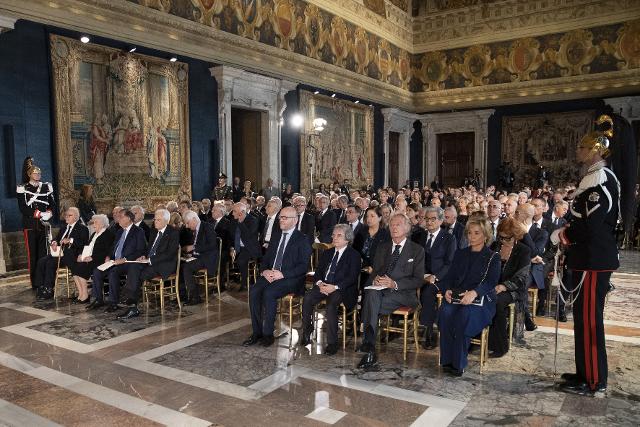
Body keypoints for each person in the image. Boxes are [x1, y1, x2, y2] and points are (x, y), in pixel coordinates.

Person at [554, 114, 637, 396]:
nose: (577, 151)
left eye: (581, 147)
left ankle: (594, 381)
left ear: (595, 151)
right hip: (585, 258)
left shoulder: (600, 179)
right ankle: (584, 372)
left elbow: (590, 224)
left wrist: (565, 235)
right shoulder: (592, 177)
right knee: (582, 319)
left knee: (590, 321)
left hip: (593, 260)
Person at [357, 213, 425, 369]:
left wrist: (394, 283)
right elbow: (375, 272)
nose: (394, 228)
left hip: (403, 294)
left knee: (370, 302)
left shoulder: (417, 250)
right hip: (380, 291)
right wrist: (375, 279)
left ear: (407, 228)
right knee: (372, 294)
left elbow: (418, 280)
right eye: (392, 225)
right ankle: (370, 351)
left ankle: (368, 344)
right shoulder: (383, 247)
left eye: (398, 224)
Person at [437, 216, 501, 376]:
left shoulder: (493, 257)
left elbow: (491, 282)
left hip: (482, 300)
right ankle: (447, 359)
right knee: (445, 312)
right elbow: (449, 277)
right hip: (458, 296)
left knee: (464, 316)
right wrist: (447, 290)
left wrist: (474, 292)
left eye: (476, 233)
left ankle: (458, 362)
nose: (471, 236)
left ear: (486, 235)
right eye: (469, 233)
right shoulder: (461, 253)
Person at [242, 207, 312, 347]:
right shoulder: (276, 235)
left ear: (295, 220)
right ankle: (257, 332)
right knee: (254, 291)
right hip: (271, 275)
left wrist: (283, 274)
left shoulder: (302, 239)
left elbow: (303, 267)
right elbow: (266, 258)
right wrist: (264, 271)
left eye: (285, 217)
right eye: (280, 217)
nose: (281, 220)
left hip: (291, 278)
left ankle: (268, 334)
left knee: (269, 293)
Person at [300, 224, 361, 354]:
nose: (334, 237)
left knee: (331, 305)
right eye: (334, 235)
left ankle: (332, 343)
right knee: (307, 298)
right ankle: (307, 330)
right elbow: (318, 272)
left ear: (347, 238)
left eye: (339, 235)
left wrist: (335, 287)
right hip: (324, 285)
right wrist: (321, 283)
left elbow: (352, 277)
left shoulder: (354, 255)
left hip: (342, 288)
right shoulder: (327, 253)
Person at [117, 208, 179, 319]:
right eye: (155, 219)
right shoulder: (154, 231)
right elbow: (149, 248)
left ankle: (130, 302)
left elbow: (169, 254)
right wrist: (144, 256)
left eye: (158, 220)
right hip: (149, 261)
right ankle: (131, 303)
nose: (155, 222)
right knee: (133, 266)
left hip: (163, 264)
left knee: (137, 275)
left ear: (166, 221)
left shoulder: (173, 232)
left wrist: (150, 260)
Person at [488, 218, 531, 356]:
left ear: (516, 235)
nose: (504, 241)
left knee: (497, 302)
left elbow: (521, 278)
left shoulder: (523, 250)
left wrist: (504, 286)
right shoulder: (495, 246)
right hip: (493, 286)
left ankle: (500, 346)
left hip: (514, 289)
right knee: (480, 298)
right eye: (501, 237)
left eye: (508, 238)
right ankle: (477, 338)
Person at [91, 210, 147, 312]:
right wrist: (108, 256)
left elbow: (141, 251)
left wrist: (124, 259)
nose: (118, 218)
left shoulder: (138, 231)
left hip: (128, 262)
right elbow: (113, 247)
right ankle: (99, 299)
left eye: (121, 216)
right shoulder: (120, 231)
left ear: (129, 218)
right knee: (97, 271)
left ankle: (113, 303)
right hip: (114, 261)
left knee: (113, 273)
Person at [419, 206, 457, 349]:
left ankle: (428, 330)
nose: (429, 222)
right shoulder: (419, 236)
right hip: (420, 275)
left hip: (441, 278)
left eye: (433, 219)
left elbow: (450, 263)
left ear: (441, 220)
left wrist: (435, 276)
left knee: (428, 291)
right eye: (426, 219)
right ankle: (396, 320)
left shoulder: (449, 238)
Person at [34, 207, 89, 300]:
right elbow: (57, 238)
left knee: (50, 263)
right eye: (66, 215)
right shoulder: (64, 228)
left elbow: (83, 242)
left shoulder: (82, 228)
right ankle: (40, 286)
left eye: (69, 215)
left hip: (71, 255)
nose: (66, 217)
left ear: (76, 217)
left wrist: (70, 240)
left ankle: (49, 289)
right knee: (41, 261)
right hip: (59, 253)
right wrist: (54, 242)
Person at [17, 162, 55, 288]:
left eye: (39, 173)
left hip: (44, 225)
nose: (38, 175)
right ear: (29, 174)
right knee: (33, 255)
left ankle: (44, 279)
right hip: (31, 225)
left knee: (44, 254)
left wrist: (49, 212)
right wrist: (38, 214)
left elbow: (52, 203)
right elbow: (23, 208)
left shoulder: (46, 187)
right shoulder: (23, 188)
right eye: (35, 173)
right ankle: (35, 283)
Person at [181, 210, 218, 304]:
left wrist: (194, 248)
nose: (187, 226)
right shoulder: (193, 230)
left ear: (194, 219)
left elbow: (212, 245)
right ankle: (184, 294)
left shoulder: (207, 227)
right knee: (180, 265)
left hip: (207, 258)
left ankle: (195, 297)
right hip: (197, 256)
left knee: (187, 267)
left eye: (188, 223)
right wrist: (191, 252)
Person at [78, 214, 115, 309]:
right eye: (93, 222)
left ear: (103, 224)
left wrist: (92, 257)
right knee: (77, 268)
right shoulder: (94, 234)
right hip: (91, 259)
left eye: (96, 222)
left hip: (100, 260)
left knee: (90, 270)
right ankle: (83, 294)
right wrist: (83, 255)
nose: (94, 224)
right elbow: (88, 247)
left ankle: (96, 298)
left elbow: (107, 251)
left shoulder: (108, 234)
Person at [231, 202, 261, 290]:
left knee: (241, 260)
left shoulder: (253, 220)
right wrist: (232, 247)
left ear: (241, 212)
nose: (232, 213)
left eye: (234, 211)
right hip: (237, 247)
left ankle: (244, 283)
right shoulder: (233, 220)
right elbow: (231, 236)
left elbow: (248, 235)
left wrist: (240, 223)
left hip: (249, 248)